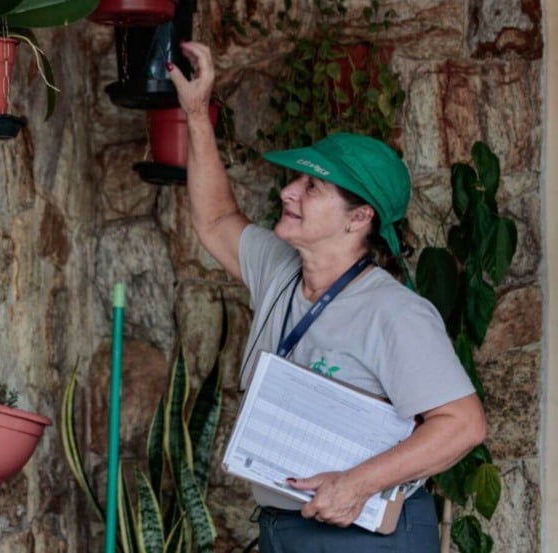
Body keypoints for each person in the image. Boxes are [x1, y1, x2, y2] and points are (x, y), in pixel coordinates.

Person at [166, 41, 488, 552]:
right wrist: (195, 113)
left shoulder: (394, 312)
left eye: (312, 188)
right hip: (286, 528)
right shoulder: (279, 271)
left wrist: (356, 483)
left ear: (359, 218)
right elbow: (216, 220)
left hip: (362, 536)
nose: (289, 191)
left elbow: (464, 425)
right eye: (296, 180)